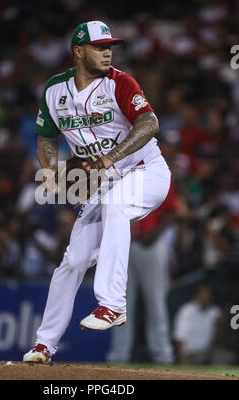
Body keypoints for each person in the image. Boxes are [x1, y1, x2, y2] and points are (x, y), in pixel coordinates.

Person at [23, 21, 171, 363]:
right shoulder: (54, 90)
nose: (108, 51)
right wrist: (50, 170)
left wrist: (109, 157)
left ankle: (112, 305)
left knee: (117, 206)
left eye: (110, 46)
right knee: (72, 261)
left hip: (145, 171)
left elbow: (150, 123)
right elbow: (46, 138)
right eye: (99, 46)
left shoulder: (120, 82)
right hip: (103, 186)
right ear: (78, 52)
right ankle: (44, 345)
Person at [107, 181, 181, 365]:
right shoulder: (122, 173)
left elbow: (173, 210)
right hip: (124, 243)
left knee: (155, 301)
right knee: (120, 302)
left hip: (151, 244)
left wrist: (156, 232)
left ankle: (163, 356)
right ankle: (119, 356)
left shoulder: (157, 170)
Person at [173, 284, 222, 365]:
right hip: (191, 354)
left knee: (224, 357)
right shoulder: (187, 310)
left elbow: (222, 335)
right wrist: (182, 357)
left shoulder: (215, 312)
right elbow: (180, 337)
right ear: (197, 295)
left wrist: (221, 324)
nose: (205, 297)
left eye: (207, 295)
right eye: (203, 294)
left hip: (209, 353)